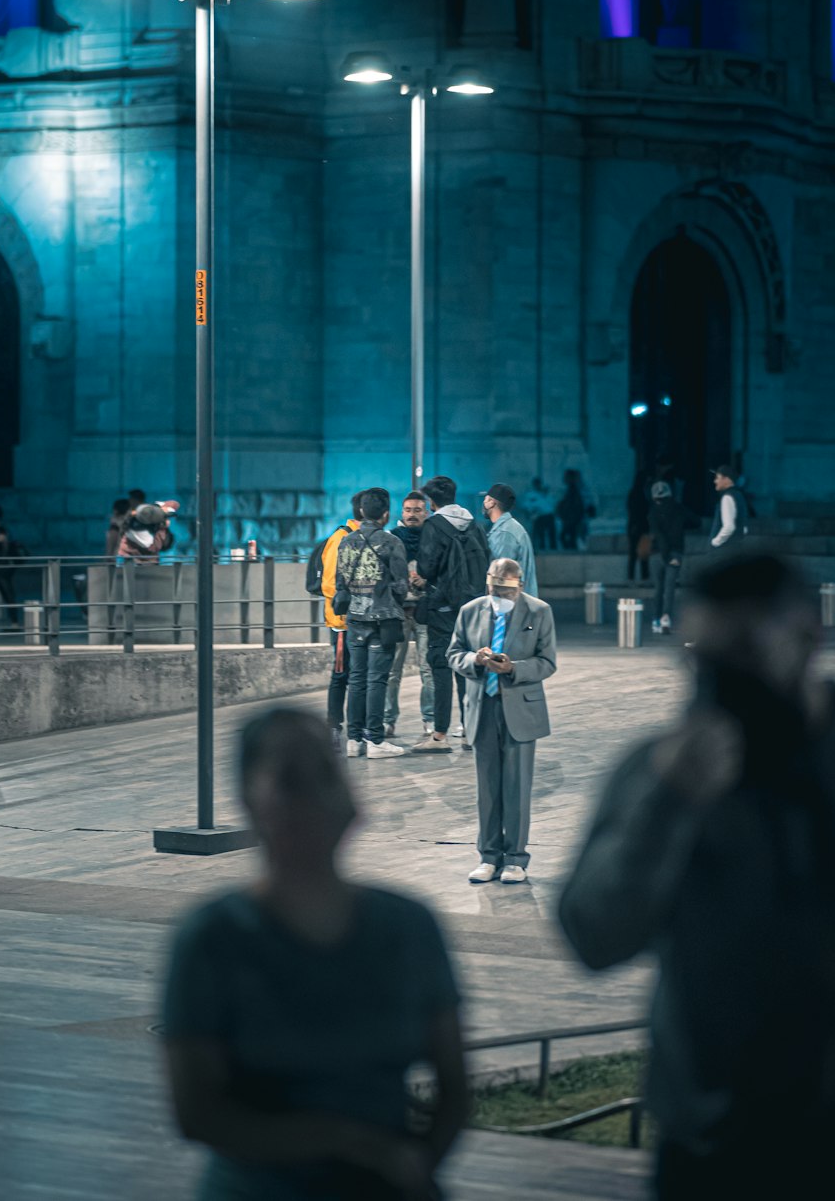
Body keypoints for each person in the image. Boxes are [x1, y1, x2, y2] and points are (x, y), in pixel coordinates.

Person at [558, 551, 835, 1201]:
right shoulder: (658, 770)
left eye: (743, 653)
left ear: (810, 635)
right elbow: (594, 936)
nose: (717, 677)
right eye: (699, 657)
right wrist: (667, 803)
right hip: (713, 1151)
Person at [163, 706, 467, 1201]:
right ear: (247, 799)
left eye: (325, 773)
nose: (314, 797)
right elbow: (197, 1114)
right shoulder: (212, 940)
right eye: (291, 779)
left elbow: (456, 1091)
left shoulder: (410, 928)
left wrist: (410, 1173)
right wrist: (358, 1148)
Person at [447, 558, 557, 885]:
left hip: (520, 709)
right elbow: (453, 653)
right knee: (488, 788)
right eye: (494, 588)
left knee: (516, 786)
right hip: (482, 707)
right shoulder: (470, 611)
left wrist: (513, 668)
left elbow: (547, 662)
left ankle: (516, 859)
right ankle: (488, 857)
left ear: (520, 585)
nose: (499, 594)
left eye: (506, 589)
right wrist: (475, 660)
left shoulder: (539, 612)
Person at [412, 475, 490, 753]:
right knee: (468, 667)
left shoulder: (434, 525)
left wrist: (420, 577)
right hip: (473, 607)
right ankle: (470, 730)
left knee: (442, 666)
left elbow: (427, 567)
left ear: (431, 502)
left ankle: (439, 735)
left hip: (443, 606)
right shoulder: (475, 525)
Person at [335, 488, 408, 759]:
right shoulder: (391, 542)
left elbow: (339, 580)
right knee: (377, 680)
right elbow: (401, 585)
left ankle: (353, 740)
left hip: (354, 618)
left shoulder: (346, 542)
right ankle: (375, 740)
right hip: (382, 619)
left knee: (356, 680)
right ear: (386, 514)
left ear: (362, 512)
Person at [384, 491, 435, 739]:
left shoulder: (433, 538)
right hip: (399, 610)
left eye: (417, 510)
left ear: (426, 512)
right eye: (408, 510)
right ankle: (388, 720)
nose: (412, 515)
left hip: (425, 610)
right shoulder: (393, 539)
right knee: (393, 670)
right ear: (401, 513)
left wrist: (427, 581)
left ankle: (430, 719)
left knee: (428, 669)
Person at [318, 492, 364, 747]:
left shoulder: (358, 537)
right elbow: (329, 584)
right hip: (342, 622)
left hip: (354, 621)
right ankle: (334, 728)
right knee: (341, 675)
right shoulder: (341, 538)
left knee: (355, 676)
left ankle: (356, 729)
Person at [482, 482, 538, 597]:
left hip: (510, 603)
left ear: (492, 502)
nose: (483, 503)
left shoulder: (504, 533)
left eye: (486, 499)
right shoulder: (510, 527)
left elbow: (501, 576)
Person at [648, 481, 685, 634]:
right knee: (669, 589)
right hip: (675, 553)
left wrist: (665, 554)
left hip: (657, 554)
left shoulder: (652, 513)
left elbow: (659, 535)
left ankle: (656, 620)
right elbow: (696, 521)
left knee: (658, 589)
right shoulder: (678, 510)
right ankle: (666, 617)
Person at [0, 503, 20, 629]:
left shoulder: (1, 530)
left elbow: (2, 541)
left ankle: (15, 623)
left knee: (8, 594)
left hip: (2, 569)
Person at [709, 464, 747, 549]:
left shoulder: (727, 497)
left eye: (717, 478)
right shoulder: (738, 495)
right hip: (735, 548)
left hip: (723, 551)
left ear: (726, 480)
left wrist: (715, 542)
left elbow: (729, 527)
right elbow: (744, 528)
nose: (715, 481)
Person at [626, 470, 651, 585]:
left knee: (635, 553)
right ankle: (642, 577)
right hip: (640, 527)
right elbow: (639, 512)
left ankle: (632, 578)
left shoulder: (634, 493)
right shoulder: (640, 494)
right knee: (641, 553)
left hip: (635, 527)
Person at [522, 477, 557, 551]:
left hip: (549, 515)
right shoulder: (531, 495)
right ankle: (542, 549)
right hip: (539, 516)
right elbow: (527, 506)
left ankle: (553, 549)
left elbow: (553, 503)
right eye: (536, 484)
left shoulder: (546, 493)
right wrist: (530, 514)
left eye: (539, 484)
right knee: (540, 534)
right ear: (534, 485)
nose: (538, 485)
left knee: (551, 534)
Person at [556, 469, 588, 550]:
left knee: (567, 537)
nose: (564, 479)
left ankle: (571, 551)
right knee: (568, 537)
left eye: (566, 477)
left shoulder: (573, 490)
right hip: (571, 519)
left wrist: (566, 515)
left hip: (572, 519)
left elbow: (575, 506)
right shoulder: (572, 490)